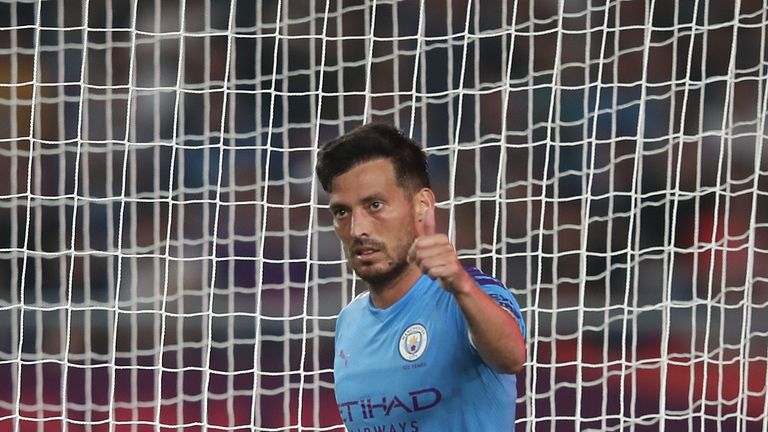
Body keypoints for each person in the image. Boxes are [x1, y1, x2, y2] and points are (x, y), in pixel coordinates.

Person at [315, 123, 526, 431]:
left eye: (374, 205)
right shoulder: (350, 321)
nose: (357, 228)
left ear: (421, 206)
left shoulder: (466, 296)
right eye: (342, 212)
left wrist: (461, 285)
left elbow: (511, 357)